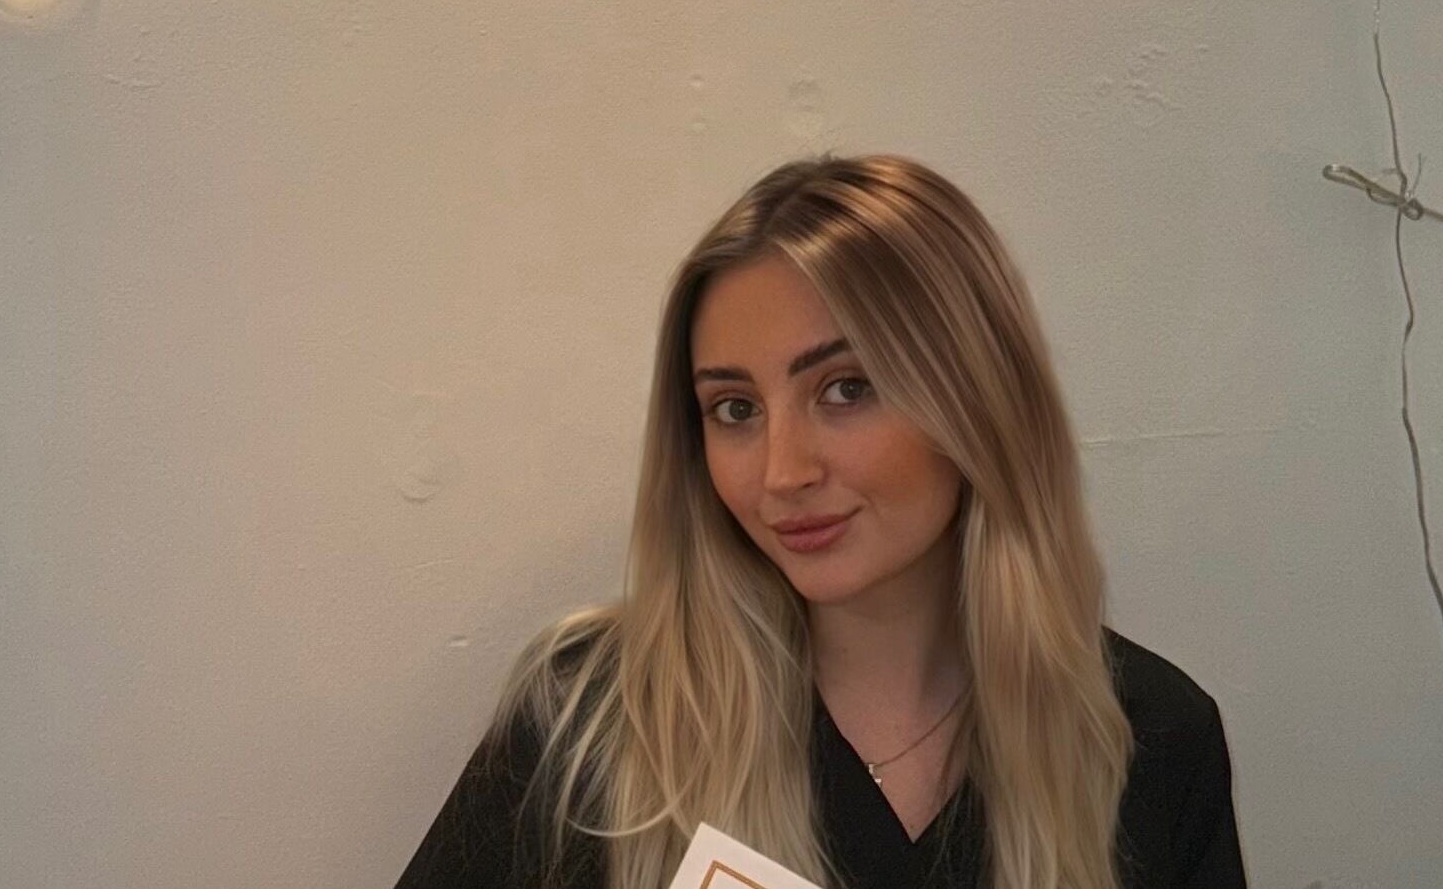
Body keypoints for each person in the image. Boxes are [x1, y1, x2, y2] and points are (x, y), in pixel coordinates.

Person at [393, 154, 1247, 889]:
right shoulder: (587, 721)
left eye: (846, 389)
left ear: (976, 398)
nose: (783, 471)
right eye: (733, 408)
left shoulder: (1147, 737)